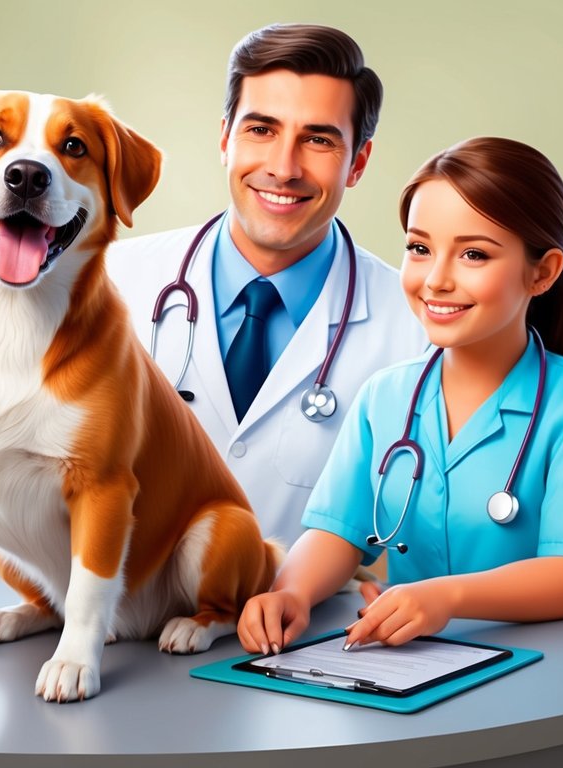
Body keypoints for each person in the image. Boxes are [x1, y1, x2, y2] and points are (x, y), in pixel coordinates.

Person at [238, 137, 563, 655]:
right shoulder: (385, 396)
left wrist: (445, 597)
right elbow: (339, 532)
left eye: (474, 254)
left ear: (542, 271)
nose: (436, 279)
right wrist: (291, 592)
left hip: (541, 669)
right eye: (419, 249)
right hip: (407, 664)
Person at [107, 24, 427, 546]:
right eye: (261, 130)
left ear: (358, 163)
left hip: (310, 625)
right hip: (120, 622)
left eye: (318, 139)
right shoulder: (111, 280)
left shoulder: (415, 327)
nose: (283, 168)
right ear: (224, 139)